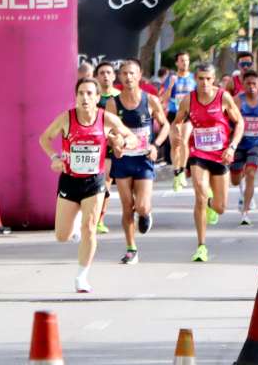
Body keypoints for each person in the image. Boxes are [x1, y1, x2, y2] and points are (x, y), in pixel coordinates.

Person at [38, 77, 138, 293]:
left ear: (97, 98)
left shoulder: (106, 119)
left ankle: (82, 277)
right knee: (61, 236)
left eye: (90, 94)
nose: (85, 98)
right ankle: (73, 226)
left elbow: (132, 138)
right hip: (70, 180)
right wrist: (54, 157)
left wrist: (121, 142)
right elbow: (44, 138)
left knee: (90, 228)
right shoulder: (67, 118)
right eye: (81, 93)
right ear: (75, 96)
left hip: (94, 180)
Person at [173, 62, 244, 262]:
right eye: (201, 79)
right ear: (196, 79)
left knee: (221, 208)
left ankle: (213, 203)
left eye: (208, 79)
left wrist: (232, 146)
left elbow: (239, 122)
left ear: (214, 80)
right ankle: (201, 246)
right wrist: (176, 134)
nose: (204, 83)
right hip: (198, 154)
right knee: (200, 195)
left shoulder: (223, 97)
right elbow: (176, 121)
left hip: (221, 155)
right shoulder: (189, 100)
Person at [106, 60, 170, 264]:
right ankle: (131, 249)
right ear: (119, 77)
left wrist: (156, 145)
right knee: (127, 206)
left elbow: (165, 126)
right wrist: (114, 142)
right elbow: (108, 130)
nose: (128, 77)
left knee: (141, 206)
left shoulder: (150, 100)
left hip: (143, 159)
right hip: (123, 159)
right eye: (124, 73)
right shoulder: (113, 103)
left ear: (140, 74)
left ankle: (145, 215)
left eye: (132, 73)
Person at [231, 69, 258, 226]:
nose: (251, 86)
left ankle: (245, 212)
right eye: (248, 84)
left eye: (254, 84)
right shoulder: (237, 101)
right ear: (243, 85)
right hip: (239, 144)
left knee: (251, 173)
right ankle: (243, 192)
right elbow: (227, 120)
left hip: (255, 143)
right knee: (235, 179)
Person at [161, 52, 197, 191]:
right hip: (173, 114)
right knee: (175, 144)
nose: (185, 63)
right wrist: (170, 86)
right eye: (182, 60)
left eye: (187, 60)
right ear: (177, 63)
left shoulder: (194, 78)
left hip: (188, 114)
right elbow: (164, 99)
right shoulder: (171, 78)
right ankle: (176, 172)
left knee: (183, 141)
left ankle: (182, 170)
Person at [95, 61, 122, 235]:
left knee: (120, 182)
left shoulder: (121, 96)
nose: (105, 75)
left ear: (114, 76)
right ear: (97, 77)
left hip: (118, 143)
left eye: (108, 72)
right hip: (98, 144)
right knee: (104, 183)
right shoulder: (92, 96)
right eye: (102, 72)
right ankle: (99, 219)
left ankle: (137, 210)